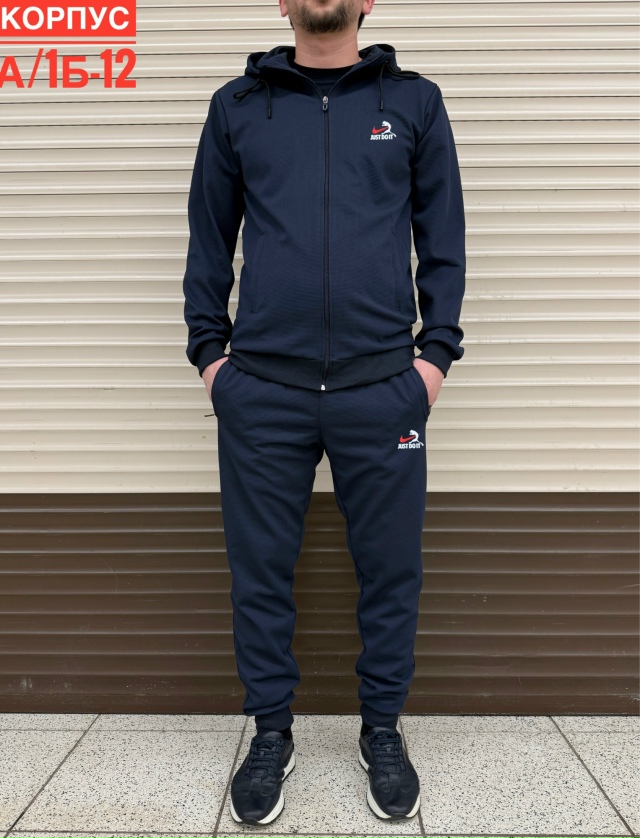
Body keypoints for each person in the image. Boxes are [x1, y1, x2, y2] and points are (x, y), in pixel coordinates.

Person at [182, 0, 465, 826]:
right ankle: (272, 732)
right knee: (260, 573)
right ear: (282, 3)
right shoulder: (237, 107)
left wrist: (432, 362)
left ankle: (382, 731)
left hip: (384, 388)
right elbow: (208, 239)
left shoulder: (413, 102)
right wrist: (212, 362)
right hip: (262, 391)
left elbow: (443, 239)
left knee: (391, 571)